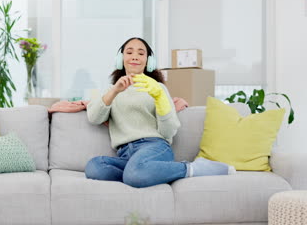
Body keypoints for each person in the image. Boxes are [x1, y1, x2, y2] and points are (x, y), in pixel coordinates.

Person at [85, 37, 235, 188]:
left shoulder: (158, 88)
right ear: (120, 59)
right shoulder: (111, 91)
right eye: (129, 52)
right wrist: (115, 90)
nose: (135, 56)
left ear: (149, 61)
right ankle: (147, 173)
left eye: (141, 53)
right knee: (95, 167)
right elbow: (94, 117)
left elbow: (168, 131)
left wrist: (159, 97)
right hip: (125, 154)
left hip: (154, 146)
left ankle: (191, 168)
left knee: (134, 174)